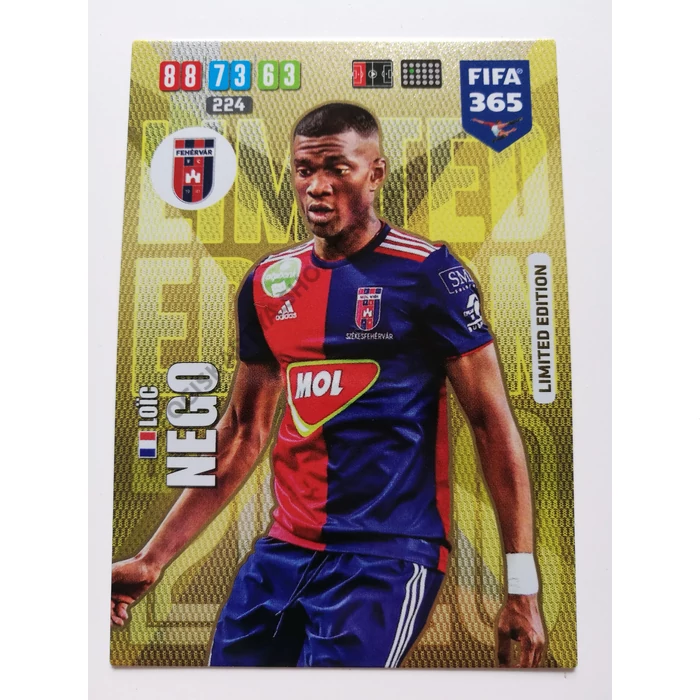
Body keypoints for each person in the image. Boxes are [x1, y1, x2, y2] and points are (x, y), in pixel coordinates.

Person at [111, 102, 546, 668]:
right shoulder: (268, 283)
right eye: (304, 170)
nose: (317, 186)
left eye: (337, 168)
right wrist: (152, 558)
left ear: (376, 172)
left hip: (386, 559)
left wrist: (521, 587)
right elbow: (241, 432)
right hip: (282, 552)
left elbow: (491, 424)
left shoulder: (429, 272)